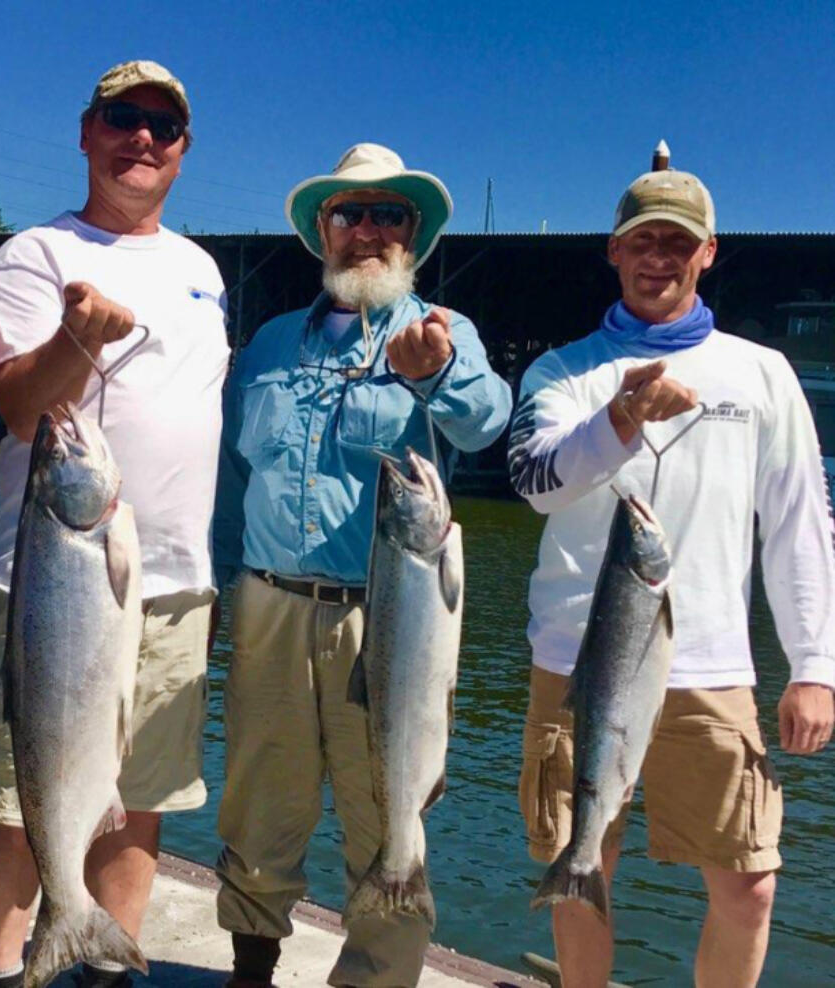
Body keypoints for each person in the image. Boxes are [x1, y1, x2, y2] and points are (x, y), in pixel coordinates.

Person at [509, 157, 835, 987]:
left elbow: (800, 523)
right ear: (613, 252)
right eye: (642, 241)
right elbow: (537, 481)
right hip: (576, 663)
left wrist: (815, 667)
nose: (659, 257)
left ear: (710, 252)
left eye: (678, 243)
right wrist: (617, 417)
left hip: (711, 668)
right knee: (584, 874)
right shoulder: (561, 371)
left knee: (750, 886)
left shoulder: (762, 372)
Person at [212, 143, 513, 988]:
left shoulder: (444, 333)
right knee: (259, 807)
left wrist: (439, 375)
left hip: (390, 615)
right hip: (268, 605)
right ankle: (250, 967)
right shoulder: (268, 344)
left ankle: (378, 976)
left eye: (390, 215)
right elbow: (233, 487)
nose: (368, 230)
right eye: (350, 213)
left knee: (387, 811)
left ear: (413, 235)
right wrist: (219, 590)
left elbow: (488, 423)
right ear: (322, 232)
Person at [0, 60, 229, 988]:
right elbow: (22, 414)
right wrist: (76, 339)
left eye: (163, 124)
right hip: (49, 581)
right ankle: (2, 973)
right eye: (123, 118)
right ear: (87, 132)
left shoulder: (201, 270)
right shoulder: (35, 255)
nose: (142, 138)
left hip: (173, 588)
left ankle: (101, 962)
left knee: (139, 800)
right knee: (15, 800)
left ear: (183, 151)